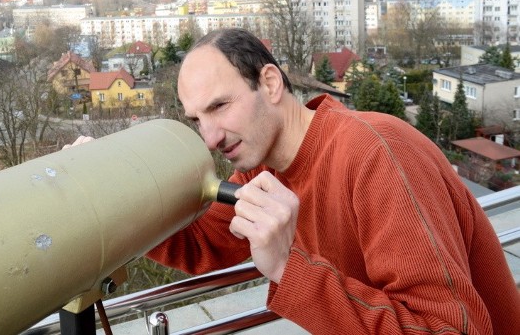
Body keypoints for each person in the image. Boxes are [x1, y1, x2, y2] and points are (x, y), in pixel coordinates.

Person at [78, 28, 520, 334]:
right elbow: (200, 242)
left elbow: (445, 329)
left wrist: (288, 269)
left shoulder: (375, 153)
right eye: (197, 119)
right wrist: (104, 187)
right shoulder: (261, 167)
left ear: (269, 82)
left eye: (220, 107)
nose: (209, 136)